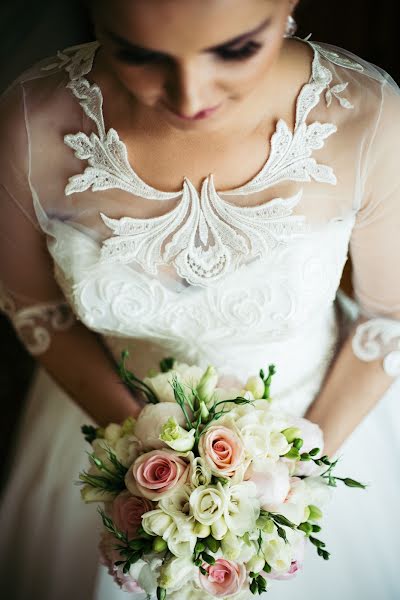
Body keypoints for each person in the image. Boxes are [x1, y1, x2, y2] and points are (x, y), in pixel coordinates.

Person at [0, 0, 399, 598]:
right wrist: (142, 460)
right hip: (98, 413)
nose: (188, 97)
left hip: (326, 416)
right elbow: (37, 309)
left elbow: (389, 318)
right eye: (137, 53)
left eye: (236, 50)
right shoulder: (30, 125)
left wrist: (283, 484)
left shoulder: (367, 118)